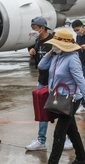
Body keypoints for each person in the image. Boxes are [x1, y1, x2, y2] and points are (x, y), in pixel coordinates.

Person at [37, 29, 85, 164]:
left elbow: (81, 81)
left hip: (71, 99)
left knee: (59, 133)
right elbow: (41, 66)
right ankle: (82, 159)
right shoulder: (57, 56)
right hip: (59, 98)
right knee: (72, 130)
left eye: (57, 44)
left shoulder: (72, 58)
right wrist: (51, 52)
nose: (54, 46)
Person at [25, 17, 72, 151]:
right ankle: (41, 140)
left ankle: (69, 138)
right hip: (42, 81)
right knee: (42, 112)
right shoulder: (38, 41)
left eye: (34, 28)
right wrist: (32, 52)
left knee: (60, 111)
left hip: (55, 84)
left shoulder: (53, 42)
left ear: (42, 28)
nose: (33, 31)